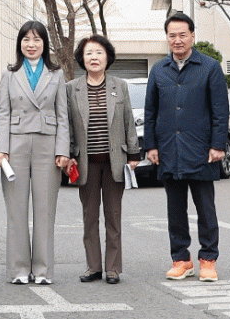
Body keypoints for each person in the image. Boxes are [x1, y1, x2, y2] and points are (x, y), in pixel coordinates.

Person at [144, 12, 229, 282]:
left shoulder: (210, 67)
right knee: (175, 211)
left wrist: (218, 144)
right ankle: (181, 259)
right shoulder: (159, 70)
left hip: (202, 150)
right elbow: (150, 111)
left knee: (206, 209)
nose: (177, 40)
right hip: (169, 150)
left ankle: (208, 259)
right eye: (172, 35)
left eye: (183, 34)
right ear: (167, 38)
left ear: (192, 36)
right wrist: (151, 146)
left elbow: (220, 110)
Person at [0, 21, 69, 285]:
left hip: (48, 143)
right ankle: (18, 270)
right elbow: (3, 113)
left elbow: (63, 115)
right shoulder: (9, 73)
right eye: (26, 39)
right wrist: (1, 148)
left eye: (37, 39)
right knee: (16, 209)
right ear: (20, 44)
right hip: (16, 143)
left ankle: (43, 270)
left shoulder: (56, 74)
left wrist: (63, 149)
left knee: (45, 209)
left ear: (44, 44)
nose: (31, 44)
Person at [65, 34, 139, 285]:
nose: (94, 57)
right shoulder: (71, 88)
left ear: (107, 57)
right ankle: (93, 266)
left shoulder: (120, 85)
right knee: (89, 217)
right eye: (89, 53)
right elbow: (68, 125)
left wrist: (134, 154)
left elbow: (128, 120)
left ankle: (113, 268)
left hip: (114, 161)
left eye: (99, 52)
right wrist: (68, 154)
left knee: (113, 216)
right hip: (85, 162)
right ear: (82, 59)